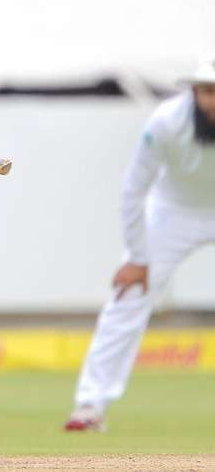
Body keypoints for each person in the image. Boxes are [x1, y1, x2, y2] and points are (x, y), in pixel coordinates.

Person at [65, 57, 215, 431]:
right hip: (174, 212)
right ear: (194, 92)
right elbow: (134, 190)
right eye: (208, 92)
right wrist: (137, 256)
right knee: (128, 296)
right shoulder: (165, 123)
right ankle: (90, 405)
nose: (214, 102)